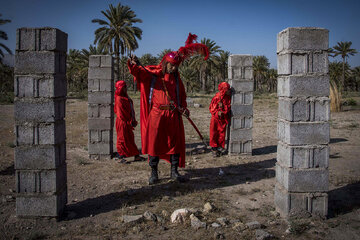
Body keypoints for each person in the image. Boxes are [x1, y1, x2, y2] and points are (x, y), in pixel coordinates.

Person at [127, 33, 209, 184]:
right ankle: (154, 173)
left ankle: (174, 172)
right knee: (154, 143)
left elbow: (182, 96)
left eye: (176, 65)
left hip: (173, 115)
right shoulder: (153, 75)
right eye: (172, 65)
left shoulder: (177, 80)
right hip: (157, 115)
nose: (174, 68)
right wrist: (135, 64)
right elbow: (139, 72)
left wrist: (184, 108)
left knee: (175, 143)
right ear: (165, 63)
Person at [114, 80, 145, 164]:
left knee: (130, 138)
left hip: (127, 122)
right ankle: (120, 156)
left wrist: (132, 120)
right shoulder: (119, 99)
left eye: (125, 87)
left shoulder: (125, 97)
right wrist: (129, 121)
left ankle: (136, 156)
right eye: (124, 87)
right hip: (122, 122)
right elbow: (121, 114)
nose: (125, 89)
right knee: (122, 139)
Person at [209, 82, 232, 157]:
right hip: (215, 119)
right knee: (214, 133)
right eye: (228, 89)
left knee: (221, 134)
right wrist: (217, 112)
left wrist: (224, 109)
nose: (229, 91)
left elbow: (228, 107)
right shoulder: (217, 97)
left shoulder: (228, 97)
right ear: (224, 90)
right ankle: (214, 149)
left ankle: (219, 148)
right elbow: (211, 108)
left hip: (223, 119)